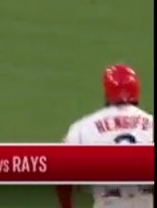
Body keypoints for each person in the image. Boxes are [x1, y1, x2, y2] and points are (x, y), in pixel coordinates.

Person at [57, 65, 152, 208]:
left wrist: (66, 205)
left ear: (107, 93)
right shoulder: (151, 123)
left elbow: (61, 170)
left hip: (109, 202)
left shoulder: (83, 127)